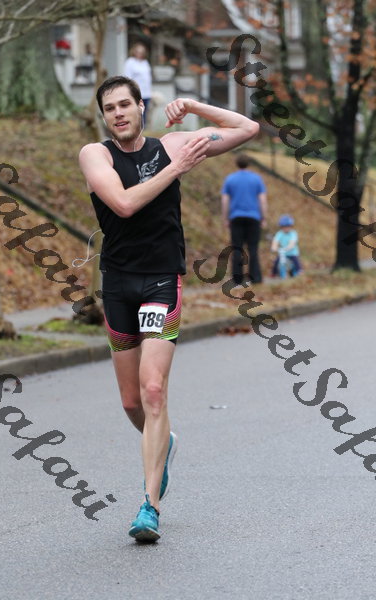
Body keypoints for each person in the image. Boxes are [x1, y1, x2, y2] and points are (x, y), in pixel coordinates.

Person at [78, 75, 259, 543]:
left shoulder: (172, 144)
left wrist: (194, 106)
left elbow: (246, 128)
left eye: (126, 104)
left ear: (142, 107)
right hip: (118, 284)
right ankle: (165, 443)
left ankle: (149, 506)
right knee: (131, 401)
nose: (118, 113)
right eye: (110, 108)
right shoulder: (96, 155)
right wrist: (175, 169)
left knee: (154, 390)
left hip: (161, 280)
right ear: (104, 116)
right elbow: (123, 204)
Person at [221, 154, 267, 285]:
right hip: (253, 217)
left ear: (237, 164)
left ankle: (237, 279)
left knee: (237, 249)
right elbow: (262, 200)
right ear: (249, 164)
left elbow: (225, 200)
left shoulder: (230, 179)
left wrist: (225, 218)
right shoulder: (257, 179)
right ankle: (255, 278)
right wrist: (263, 217)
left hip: (236, 217)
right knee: (253, 248)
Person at [123, 43, 152, 123]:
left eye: (141, 52)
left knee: (144, 113)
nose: (140, 54)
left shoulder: (145, 62)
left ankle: (143, 128)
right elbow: (127, 78)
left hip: (146, 93)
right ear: (134, 51)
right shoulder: (130, 62)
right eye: (138, 52)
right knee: (136, 112)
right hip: (136, 93)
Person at [271, 214, 302, 278]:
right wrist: (274, 247)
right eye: (284, 227)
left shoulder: (293, 233)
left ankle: (299, 271)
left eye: (288, 226)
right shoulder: (279, 233)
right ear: (281, 227)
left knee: (296, 261)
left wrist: (289, 247)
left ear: (291, 226)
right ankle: (274, 273)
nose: (286, 228)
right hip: (283, 253)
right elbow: (275, 241)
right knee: (276, 261)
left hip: (292, 252)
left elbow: (292, 242)